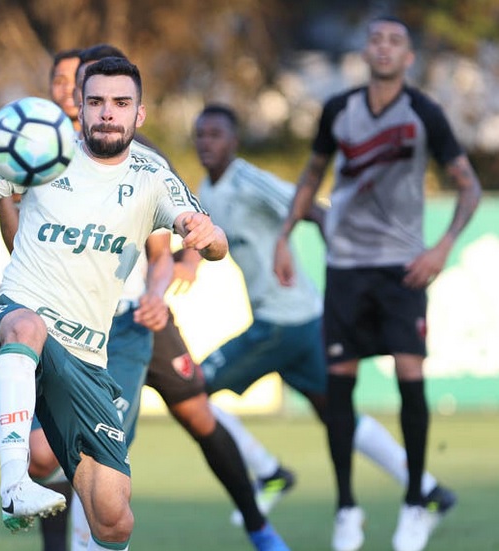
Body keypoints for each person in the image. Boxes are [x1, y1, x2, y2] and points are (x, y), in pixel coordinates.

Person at [0, 56, 229, 551]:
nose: (108, 112)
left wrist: (208, 237)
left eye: (121, 103)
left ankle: (47, 487)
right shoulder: (43, 152)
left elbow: (213, 244)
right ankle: (14, 485)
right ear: (80, 108)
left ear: (139, 114)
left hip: (86, 359)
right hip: (9, 322)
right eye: (97, 102)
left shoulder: (154, 176)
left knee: (113, 518)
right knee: (28, 328)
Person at [23, 45, 288, 551]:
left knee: (196, 414)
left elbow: (174, 242)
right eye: (63, 84)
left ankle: (260, 526)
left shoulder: (138, 156)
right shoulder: (39, 157)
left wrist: (163, 285)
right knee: (59, 442)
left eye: (77, 84)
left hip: (139, 317)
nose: (71, 95)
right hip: (72, 320)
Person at [189, 103, 458, 531]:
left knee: (189, 389)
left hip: (281, 324)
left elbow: (310, 207)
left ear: (234, 141)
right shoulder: (207, 189)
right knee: (337, 415)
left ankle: (268, 471)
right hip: (304, 320)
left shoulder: (248, 180)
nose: (206, 142)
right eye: (200, 135)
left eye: (215, 134)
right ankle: (428, 489)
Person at [274, 16, 482, 551]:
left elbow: (469, 186)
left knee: (410, 375)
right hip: (345, 265)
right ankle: (347, 509)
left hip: (402, 268)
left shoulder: (424, 113)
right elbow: (312, 174)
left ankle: (415, 502)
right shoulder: (338, 110)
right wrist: (285, 236)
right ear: (365, 52)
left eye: (395, 41)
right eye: (376, 39)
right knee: (338, 385)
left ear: (408, 57)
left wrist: (442, 247)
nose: (384, 48)